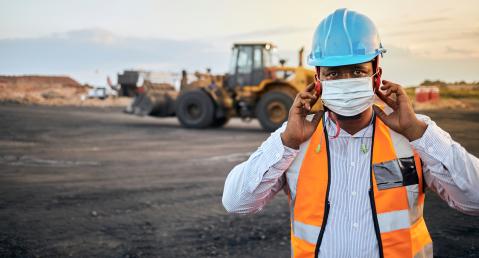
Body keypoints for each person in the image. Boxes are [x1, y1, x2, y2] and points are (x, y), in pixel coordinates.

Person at [222, 8, 479, 258]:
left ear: (377, 75)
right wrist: (285, 141)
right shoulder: (293, 139)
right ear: (318, 80)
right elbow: (237, 203)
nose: (346, 80)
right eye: (333, 73)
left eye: (357, 71)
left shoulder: (413, 136)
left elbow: (474, 200)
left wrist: (420, 133)